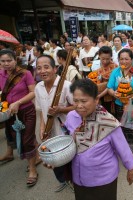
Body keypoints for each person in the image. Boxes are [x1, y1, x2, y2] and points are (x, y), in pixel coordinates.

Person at [44, 78, 133, 199]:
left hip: (104, 180)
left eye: (84, 101)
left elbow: (122, 147)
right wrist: (54, 157)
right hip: (79, 177)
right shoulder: (71, 116)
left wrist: (130, 168)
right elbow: (67, 140)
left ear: (96, 100)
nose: (79, 105)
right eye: (76, 101)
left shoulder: (109, 122)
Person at [35, 55, 75, 192]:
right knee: (53, 157)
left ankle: (74, 181)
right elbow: (41, 110)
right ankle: (63, 180)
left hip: (66, 129)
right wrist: (41, 127)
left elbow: (79, 107)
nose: (42, 71)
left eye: (46, 67)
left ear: (55, 69)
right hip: (49, 130)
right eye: (39, 68)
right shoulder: (38, 87)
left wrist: (61, 109)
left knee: (69, 157)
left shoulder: (66, 86)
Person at [107, 48, 133, 173]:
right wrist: (113, 93)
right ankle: (125, 154)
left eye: (126, 58)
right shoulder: (116, 72)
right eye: (121, 59)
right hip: (119, 106)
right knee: (121, 131)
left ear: (132, 59)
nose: (124, 61)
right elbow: (109, 87)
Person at [0, 49, 38, 187]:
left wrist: (18, 102)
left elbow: (33, 92)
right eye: (3, 61)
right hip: (10, 113)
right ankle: (36, 156)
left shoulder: (25, 73)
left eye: (9, 60)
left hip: (27, 111)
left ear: (15, 60)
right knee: (15, 136)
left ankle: (32, 170)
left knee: (27, 139)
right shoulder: (0, 75)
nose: (6, 64)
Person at [88, 46, 117, 114]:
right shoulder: (95, 65)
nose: (105, 61)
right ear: (99, 55)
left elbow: (110, 85)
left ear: (111, 57)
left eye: (108, 59)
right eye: (103, 59)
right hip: (96, 94)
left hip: (110, 96)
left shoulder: (115, 67)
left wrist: (99, 95)